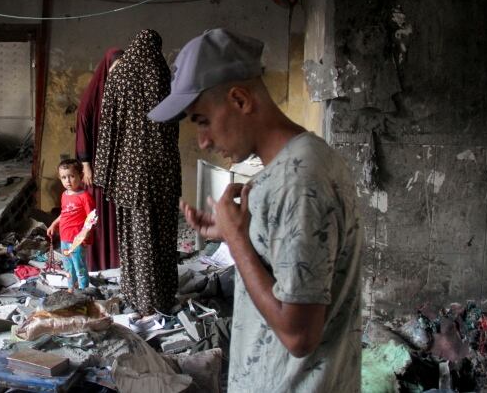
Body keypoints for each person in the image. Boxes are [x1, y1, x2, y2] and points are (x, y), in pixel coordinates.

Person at [149, 28, 362, 392]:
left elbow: (298, 335)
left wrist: (238, 242)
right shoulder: (302, 162)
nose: (203, 140)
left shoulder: (299, 181)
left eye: (202, 120)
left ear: (240, 99)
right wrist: (240, 233)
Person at [94, 29, 181, 317]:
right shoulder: (160, 71)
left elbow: (107, 125)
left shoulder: (118, 75)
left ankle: (138, 296)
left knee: (134, 236)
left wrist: (103, 173)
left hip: (127, 172)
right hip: (161, 169)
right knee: (162, 234)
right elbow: (174, 119)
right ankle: (162, 296)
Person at [76, 47, 123, 271]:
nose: (118, 74)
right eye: (114, 69)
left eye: (122, 69)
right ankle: (97, 263)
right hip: (95, 165)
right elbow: (83, 123)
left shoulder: (120, 93)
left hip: (117, 165)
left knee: (114, 213)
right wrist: (86, 165)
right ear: (106, 68)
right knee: (97, 213)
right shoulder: (93, 96)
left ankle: (114, 263)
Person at [46, 159, 96, 292]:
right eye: (64, 177)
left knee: (79, 267)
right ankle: (71, 290)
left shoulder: (85, 197)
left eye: (72, 176)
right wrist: (53, 224)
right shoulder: (64, 195)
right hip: (64, 238)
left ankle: (84, 292)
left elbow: (92, 217)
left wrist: (85, 233)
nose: (67, 181)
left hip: (77, 239)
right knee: (68, 267)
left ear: (81, 175)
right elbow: (64, 213)